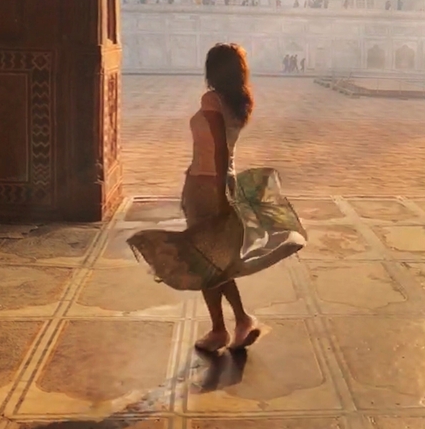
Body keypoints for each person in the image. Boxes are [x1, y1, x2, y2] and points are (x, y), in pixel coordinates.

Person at [128, 43, 306, 353]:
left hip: (209, 186)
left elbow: (219, 147)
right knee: (214, 261)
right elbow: (215, 148)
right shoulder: (238, 103)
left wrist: (217, 192)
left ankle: (222, 329)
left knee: (203, 262)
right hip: (217, 181)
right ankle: (237, 321)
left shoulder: (211, 100)